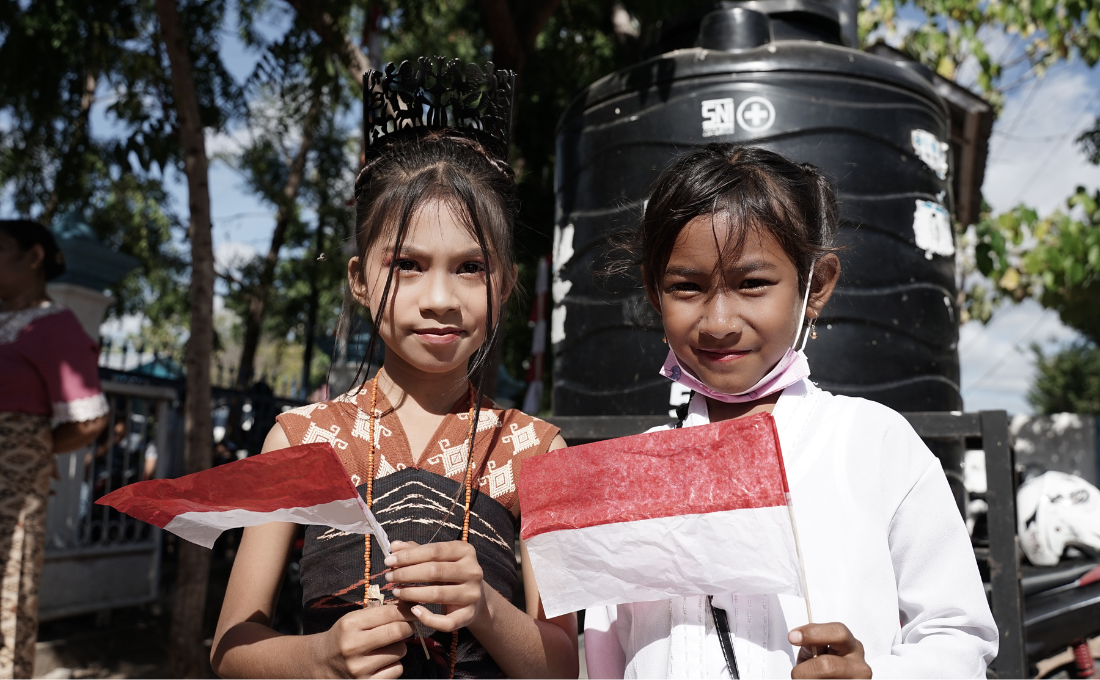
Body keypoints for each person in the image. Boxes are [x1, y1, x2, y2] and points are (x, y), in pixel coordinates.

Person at [210, 58, 578, 679]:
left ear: (507, 283)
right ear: (360, 278)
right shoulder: (305, 440)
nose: (440, 298)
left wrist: (485, 607)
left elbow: (564, 666)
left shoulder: (533, 450)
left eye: (471, 267)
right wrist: (321, 656)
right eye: (407, 264)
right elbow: (229, 650)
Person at [583, 146, 998, 679]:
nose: (718, 321)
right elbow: (605, 653)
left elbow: (958, 632)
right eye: (685, 286)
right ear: (652, 289)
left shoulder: (874, 445)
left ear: (815, 284)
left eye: (752, 283)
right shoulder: (631, 470)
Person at [0, 219, 109, 679]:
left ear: (33, 257)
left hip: (11, 486)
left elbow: (90, 419)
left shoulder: (54, 325)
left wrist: (29, 452)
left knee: (7, 594)